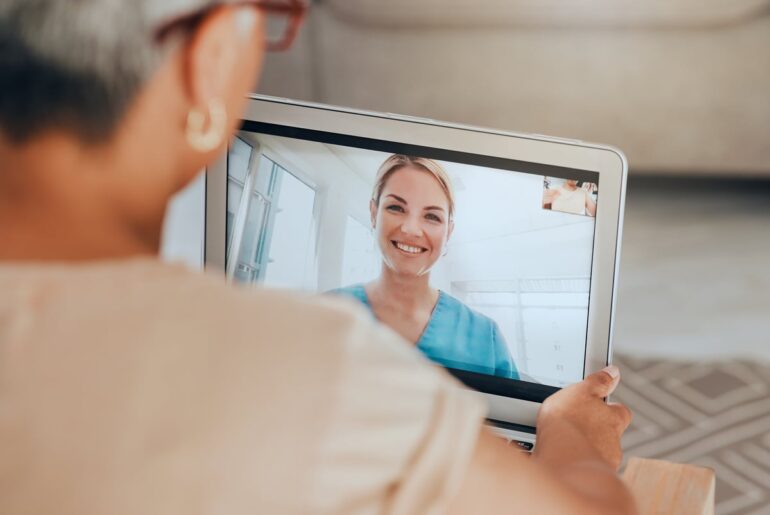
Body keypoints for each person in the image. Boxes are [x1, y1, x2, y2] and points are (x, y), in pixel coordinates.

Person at [0, 1, 635, 514]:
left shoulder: (458, 336)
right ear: (210, 57)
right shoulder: (319, 356)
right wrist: (573, 434)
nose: (412, 227)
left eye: (432, 214)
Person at [333, 155, 518, 379]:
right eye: (396, 208)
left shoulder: (485, 337)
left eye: (431, 216)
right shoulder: (324, 312)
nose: (411, 229)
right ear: (374, 214)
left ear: (448, 232)